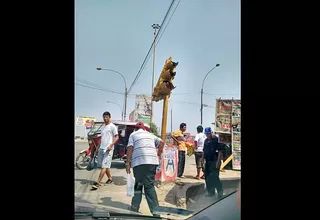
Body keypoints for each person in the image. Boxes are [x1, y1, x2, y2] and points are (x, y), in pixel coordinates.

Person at [126, 122, 164, 216]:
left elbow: (130, 148)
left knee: (139, 185)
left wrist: (127, 163)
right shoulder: (150, 134)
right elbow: (162, 142)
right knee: (149, 185)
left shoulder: (133, 134)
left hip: (139, 163)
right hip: (152, 162)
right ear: (144, 129)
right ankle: (155, 212)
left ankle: (135, 209)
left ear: (135, 129)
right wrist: (158, 154)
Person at [91, 111, 119, 189]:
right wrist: (97, 148)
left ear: (110, 117)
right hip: (101, 148)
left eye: (106, 117)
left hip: (108, 149)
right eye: (104, 117)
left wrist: (111, 145)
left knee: (104, 166)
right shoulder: (103, 126)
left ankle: (97, 182)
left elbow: (117, 137)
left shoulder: (112, 126)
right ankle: (110, 178)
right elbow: (102, 139)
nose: (105, 118)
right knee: (103, 165)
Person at [203, 127, 224, 197]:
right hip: (208, 161)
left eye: (208, 134)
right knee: (207, 177)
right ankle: (211, 192)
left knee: (214, 176)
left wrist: (218, 162)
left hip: (215, 160)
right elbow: (204, 151)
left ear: (211, 132)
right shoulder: (206, 141)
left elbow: (220, 151)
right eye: (206, 134)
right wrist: (202, 161)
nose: (207, 135)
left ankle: (220, 191)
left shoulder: (216, 139)